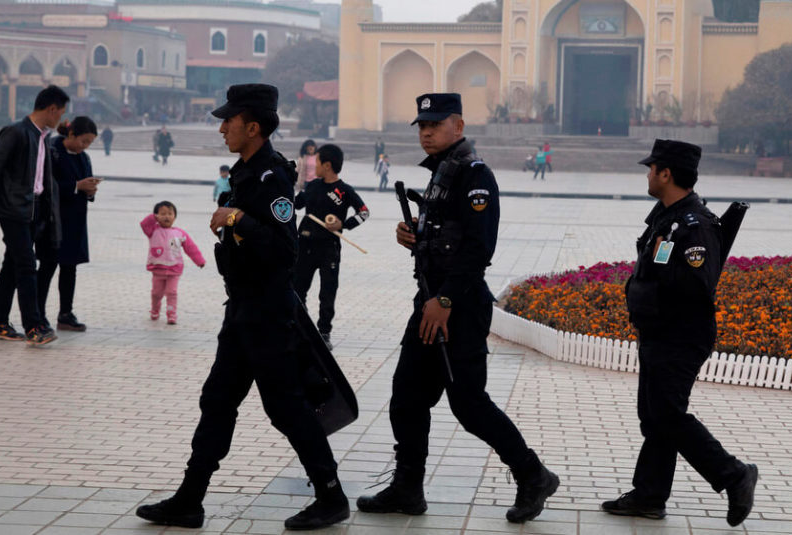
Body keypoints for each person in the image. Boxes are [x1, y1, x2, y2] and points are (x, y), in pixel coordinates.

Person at [136, 84, 350, 530]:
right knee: (217, 400)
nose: (221, 128)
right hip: (243, 309)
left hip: (268, 314)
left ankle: (331, 496)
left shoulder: (272, 177)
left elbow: (283, 249)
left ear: (252, 127)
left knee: (286, 406)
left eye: (228, 121)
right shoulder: (245, 172)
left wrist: (237, 218)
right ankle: (189, 499)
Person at [357, 92, 559, 524]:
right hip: (429, 303)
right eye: (422, 126)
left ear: (459, 126)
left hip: (458, 307)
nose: (426, 133)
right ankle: (407, 488)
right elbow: (446, 237)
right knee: (406, 398)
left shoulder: (474, 176)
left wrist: (446, 300)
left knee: (469, 404)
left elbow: (478, 249)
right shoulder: (441, 175)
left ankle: (533, 474)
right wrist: (414, 234)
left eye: (435, 124)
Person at [602, 139, 758, 526]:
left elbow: (697, 285)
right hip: (659, 331)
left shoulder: (694, 225)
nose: (648, 174)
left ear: (666, 173)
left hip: (681, 335)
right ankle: (649, 495)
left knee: (668, 415)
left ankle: (733, 474)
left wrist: (657, 284)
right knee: (653, 416)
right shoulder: (666, 217)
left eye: (652, 168)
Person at [0, 85, 67, 346]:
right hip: (13, 209)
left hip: (33, 210)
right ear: (50, 109)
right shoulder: (16, 133)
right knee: (27, 265)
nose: (60, 118)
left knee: (13, 266)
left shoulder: (43, 137)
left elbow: (42, 178)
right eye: (60, 113)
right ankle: (34, 327)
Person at [294, 143, 369, 349]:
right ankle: (301, 325)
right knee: (298, 287)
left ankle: (324, 332)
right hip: (305, 246)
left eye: (317, 161)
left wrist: (343, 225)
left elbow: (364, 213)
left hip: (329, 248)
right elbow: (294, 204)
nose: (314, 165)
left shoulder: (344, 191)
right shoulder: (312, 186)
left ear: (327, 165)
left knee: (328, 291)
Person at [37, 117, 100, 332]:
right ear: (71, 135)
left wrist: (90, 190)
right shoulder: (52, 151)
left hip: (75, 221)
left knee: (69, 267)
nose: (85, 147)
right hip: (53, 220)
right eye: (84, 141)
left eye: (89, 143)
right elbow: (44, 185)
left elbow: (85, 184)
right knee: (47, 267)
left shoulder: (84, 158)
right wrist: (75, 186)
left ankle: (65, 313)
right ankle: (37, 315)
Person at [140, 201, 205, 324]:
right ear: (156, 216)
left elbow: (191, 248)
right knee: (156, 293)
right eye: (162, 214)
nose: (166, 216)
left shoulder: (180, 234)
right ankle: (155, 310)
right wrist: (153, 218)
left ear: (175, 216)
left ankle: (171, 313)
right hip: (157, 268)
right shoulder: (152, 231)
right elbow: (144, 225)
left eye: (170, 213)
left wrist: (199, 261)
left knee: (172, 292)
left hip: (174, 269)